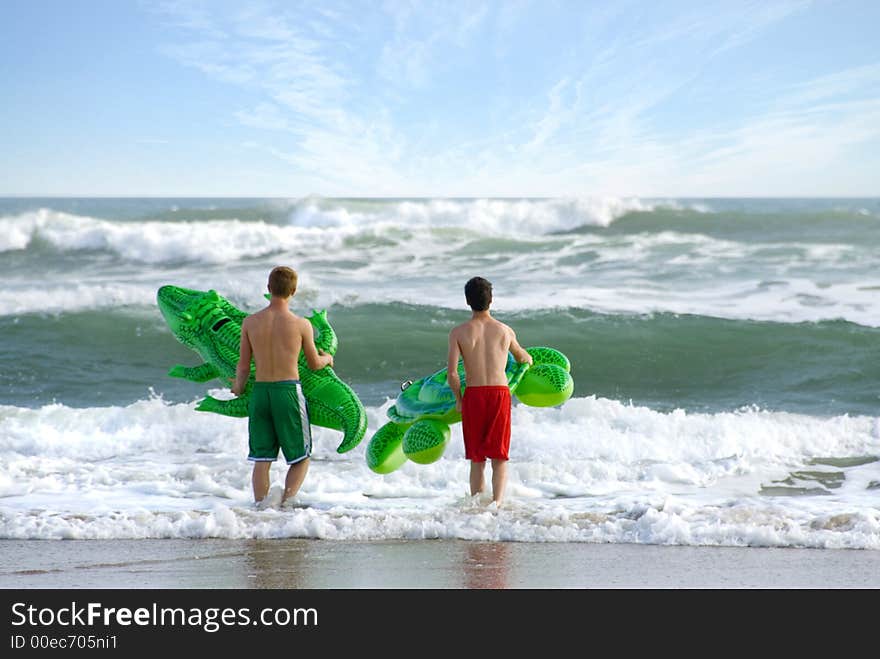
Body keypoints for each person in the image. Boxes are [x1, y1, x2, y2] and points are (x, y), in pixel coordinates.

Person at [231, 266, 333, 506]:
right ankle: (286, 504)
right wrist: (328, 358)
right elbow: (314, 363)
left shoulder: (250, 322)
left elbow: (243, 366)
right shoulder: (301, 324)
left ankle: (261, 510)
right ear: (294, 291)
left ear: (268, 289)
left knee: (262, 458)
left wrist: (238, 386)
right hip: (287, 392)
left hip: (260, 393)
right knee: (301, 456)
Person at [447, 276, 532, 507]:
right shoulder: (505, 331)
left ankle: (476, 506)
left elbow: (452, 374)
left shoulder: (458, 332)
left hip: (474, 395)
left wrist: (459, 400)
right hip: (499, 394)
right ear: (491, 300)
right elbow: (522, 357)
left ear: (467, 301)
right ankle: (497, 504)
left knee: (477, 458)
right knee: (500, 456)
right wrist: (528, 359)